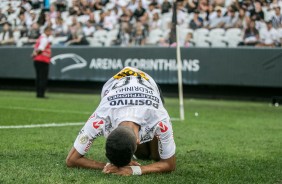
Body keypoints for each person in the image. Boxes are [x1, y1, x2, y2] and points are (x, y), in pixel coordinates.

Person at [66, 67, 176, 176]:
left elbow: (169, 164)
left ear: (138, 141)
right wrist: (108, 165)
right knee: (143, 154)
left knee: (157, 157)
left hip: (148, 83)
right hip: (116, 85)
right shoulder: (101, 116)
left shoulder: (159, 117)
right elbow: (71, 160)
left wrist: (133, 170)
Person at [31, 26, 52, 98]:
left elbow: (36, 48)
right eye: (50, 31)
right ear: (46, 31)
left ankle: (38, 93)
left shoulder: (40, 38)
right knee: (43, 78)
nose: (50, 33)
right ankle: (41, 94)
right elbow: (40, 49)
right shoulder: (45, 39)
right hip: (43, 60)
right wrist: (35, 54)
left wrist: (33, 55)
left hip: (37, 60)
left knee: (38, 77)